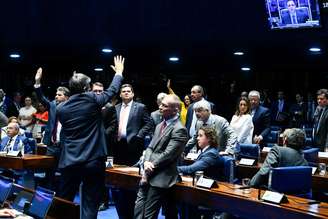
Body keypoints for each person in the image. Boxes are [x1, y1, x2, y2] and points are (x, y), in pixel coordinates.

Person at [56, 55, 124, 219]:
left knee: (64, 201)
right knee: (90, 201)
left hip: (70, 160)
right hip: (92, 160)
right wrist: (119, 73)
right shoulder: (93, 100)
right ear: (87, 88)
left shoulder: (61, 108)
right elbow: (112, 90)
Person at [134, 94, 188, 219]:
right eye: (161, 104)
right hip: (148, 171)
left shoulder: (179, 129)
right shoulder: (159, 125)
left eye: (164, 106)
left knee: (148, 215)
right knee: (138, 211)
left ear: (175, 110)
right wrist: (146, 162)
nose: (160, 107)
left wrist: (150, 165)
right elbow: (150, 148)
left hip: (162, 176)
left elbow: (168, 155)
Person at [34, 67, 70, 190]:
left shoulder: (71, 107)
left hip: (65, 145)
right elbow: (41, 98)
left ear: (66, 97)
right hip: (52, 145)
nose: (56, 96)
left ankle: (62, 197)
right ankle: (48, 194)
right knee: (49, 171)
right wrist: (38, 83)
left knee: (64, 172)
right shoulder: (53, 105)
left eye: (59, 95)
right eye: (55, 94)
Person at [114, 84, 153, 166]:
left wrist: (139, 135)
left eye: (128, 91)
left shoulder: (140, 107)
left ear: (133, 94)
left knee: (131, 169)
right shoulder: (116, 107)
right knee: (118, 168)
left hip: (134, 143)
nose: (126, 93)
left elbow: (149, 123)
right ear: (120, 95)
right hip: (117, 143)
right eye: (123, 91)